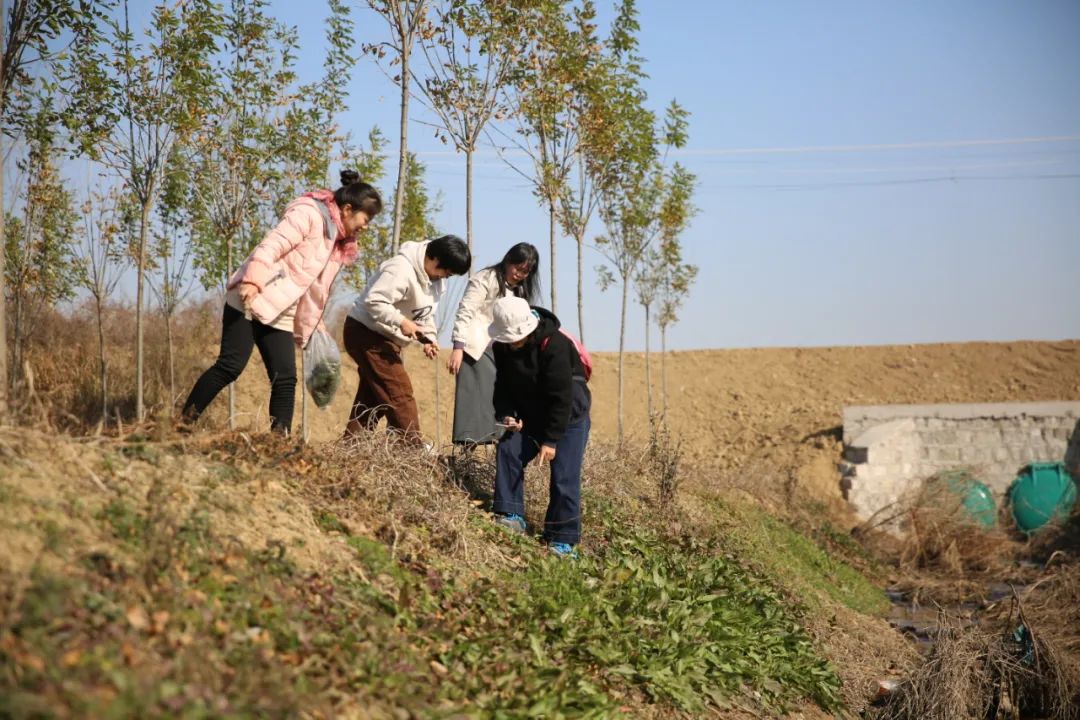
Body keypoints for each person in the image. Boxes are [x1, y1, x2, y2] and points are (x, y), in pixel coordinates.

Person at [183, 170, 382, 433]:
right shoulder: (309, 214)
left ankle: (278, 446)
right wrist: (253, 280)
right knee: (230, 366)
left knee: (285, 379)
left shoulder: (336, 243)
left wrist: (313, 327)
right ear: (347, 209)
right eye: (365, 219)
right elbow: (272, 245)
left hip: (281, 311)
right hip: (252, 296)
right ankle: (180, 425)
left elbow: (314, 291)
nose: (365, 226)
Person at [487, 296, 591, 556]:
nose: (512, 344)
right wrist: (507, 414)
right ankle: (510, 513)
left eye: (515, 338)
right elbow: (503, 386)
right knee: (509, 450)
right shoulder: (502, 347)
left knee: (564, 477)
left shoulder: (554, 344)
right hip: (532, 415)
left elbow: (561, 398)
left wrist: (551, 440)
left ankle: (561, 539)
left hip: (568, 418)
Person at [343, 235, 471, 442]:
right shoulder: (400, 269)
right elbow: (373, 301)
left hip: (387, 338)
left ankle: (351, 449)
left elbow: (425, 314)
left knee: (373, 398)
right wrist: (401, 321)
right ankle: (411, 450)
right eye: (445, 272)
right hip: (365, 332)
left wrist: (428, 338)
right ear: (434, 258)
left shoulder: (435, 280)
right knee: (399, 395)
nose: (444, 277)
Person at [447, 243, 541, 446]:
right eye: (517, 268)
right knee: (476, 407)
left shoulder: (518, 290)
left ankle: (500, 446)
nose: (519, 274)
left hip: (503, 350)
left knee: (502, 403)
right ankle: (467, 454)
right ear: (508, 260)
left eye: (525, 272)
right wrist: (458, 347)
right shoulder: (485, 279)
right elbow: (466, 310)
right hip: (477, 349)